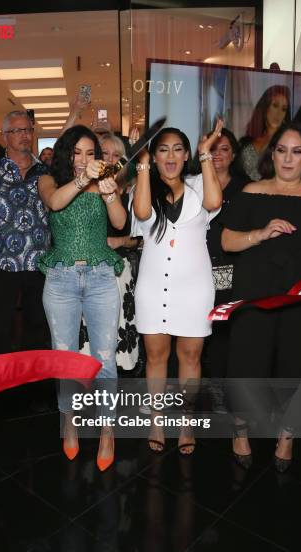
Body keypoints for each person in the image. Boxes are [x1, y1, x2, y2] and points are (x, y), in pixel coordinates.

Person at [222, 122, 301, 472]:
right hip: (254, 291)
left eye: (297, 151)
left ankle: (287, 435)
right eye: (281, 150)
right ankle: (239, 429)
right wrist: (260, 233)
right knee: (247, 362)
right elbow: (227, 241)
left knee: (298, 365)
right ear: (271, 154)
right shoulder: (252, 192)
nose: (288, 159)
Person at [38, 125, 126, 471]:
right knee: (65, 358)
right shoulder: (49, 180)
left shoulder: (105, 182)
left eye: (91, 153)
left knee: (105, 358)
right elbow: (56, 202)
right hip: (60, 280)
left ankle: (107, 428)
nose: (84, 160)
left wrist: (108, 193)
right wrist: (81, 180)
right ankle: (69, 422)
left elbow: (119, 222)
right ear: (66, 155)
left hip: (101, 277)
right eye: (77, 153)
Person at [133, 120, 223, 454]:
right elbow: (142, 212)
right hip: (153, 286)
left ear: (186, 155)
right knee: (156, 356)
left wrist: (205, 154)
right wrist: (141, 161)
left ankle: (186, 424)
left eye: (177, 149)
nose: (170, 156)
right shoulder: (144, 187)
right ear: (154, 157)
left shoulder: (201, 183)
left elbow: (214, 202)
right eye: (162, 150)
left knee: (191, 355)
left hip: (194, 287)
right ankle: (157, 421)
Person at [0, 111, 51, 358]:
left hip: (39, 263)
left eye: (28, 130)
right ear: (5, 135)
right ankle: (0, 388)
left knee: (38, 328)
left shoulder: (45, 171)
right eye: (17, 131)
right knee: (0, 330)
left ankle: (36, 386)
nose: (25, 136)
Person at [79, 132, 141, 371]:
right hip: (88, 271)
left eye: (117, 155)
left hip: (119, 271)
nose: (111, 159)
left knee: (118, 334)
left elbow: (141, 239)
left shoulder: (132, 191)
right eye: (105, 154)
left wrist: (119, 241)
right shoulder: (84, 189)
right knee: (90, 338)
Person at [203, 129, 249, 382]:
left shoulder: (246, 188)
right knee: (193, 332)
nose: (218, 154)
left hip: (230, 268)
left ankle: (220, 391)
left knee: (222, 332)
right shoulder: (192, 183)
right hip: (196, 267)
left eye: (224, 149)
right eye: (213, 148)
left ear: (233, 155)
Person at [238, 85, 291, 181]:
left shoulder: (287, 142)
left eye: (284, 109)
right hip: (245, 193)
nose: (278, 113)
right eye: (275, 105)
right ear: (264, 107)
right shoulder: (247, 141)